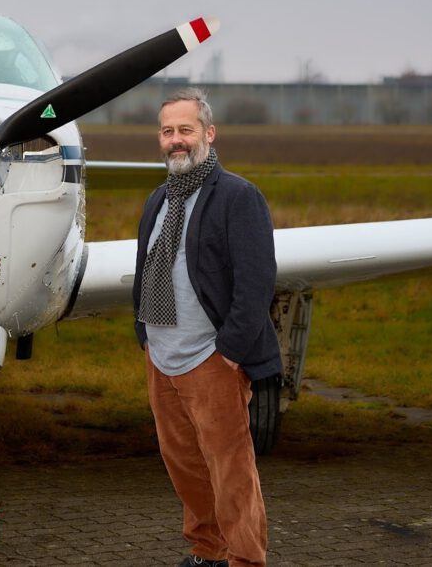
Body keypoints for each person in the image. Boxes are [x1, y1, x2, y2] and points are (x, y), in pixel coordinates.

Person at [132, 88, 281, 567]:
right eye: (168, 131)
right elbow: (147, 267)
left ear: (209, 134)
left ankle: (245, 560)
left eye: (186, 130)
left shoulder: (238, 196)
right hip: (163, 357)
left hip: (211, 359)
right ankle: (208, 551)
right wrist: (146, 337)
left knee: (231, 471)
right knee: (186, 468)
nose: (176, 140)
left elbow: (257, 280)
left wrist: (231, 350)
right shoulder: (158, 199)